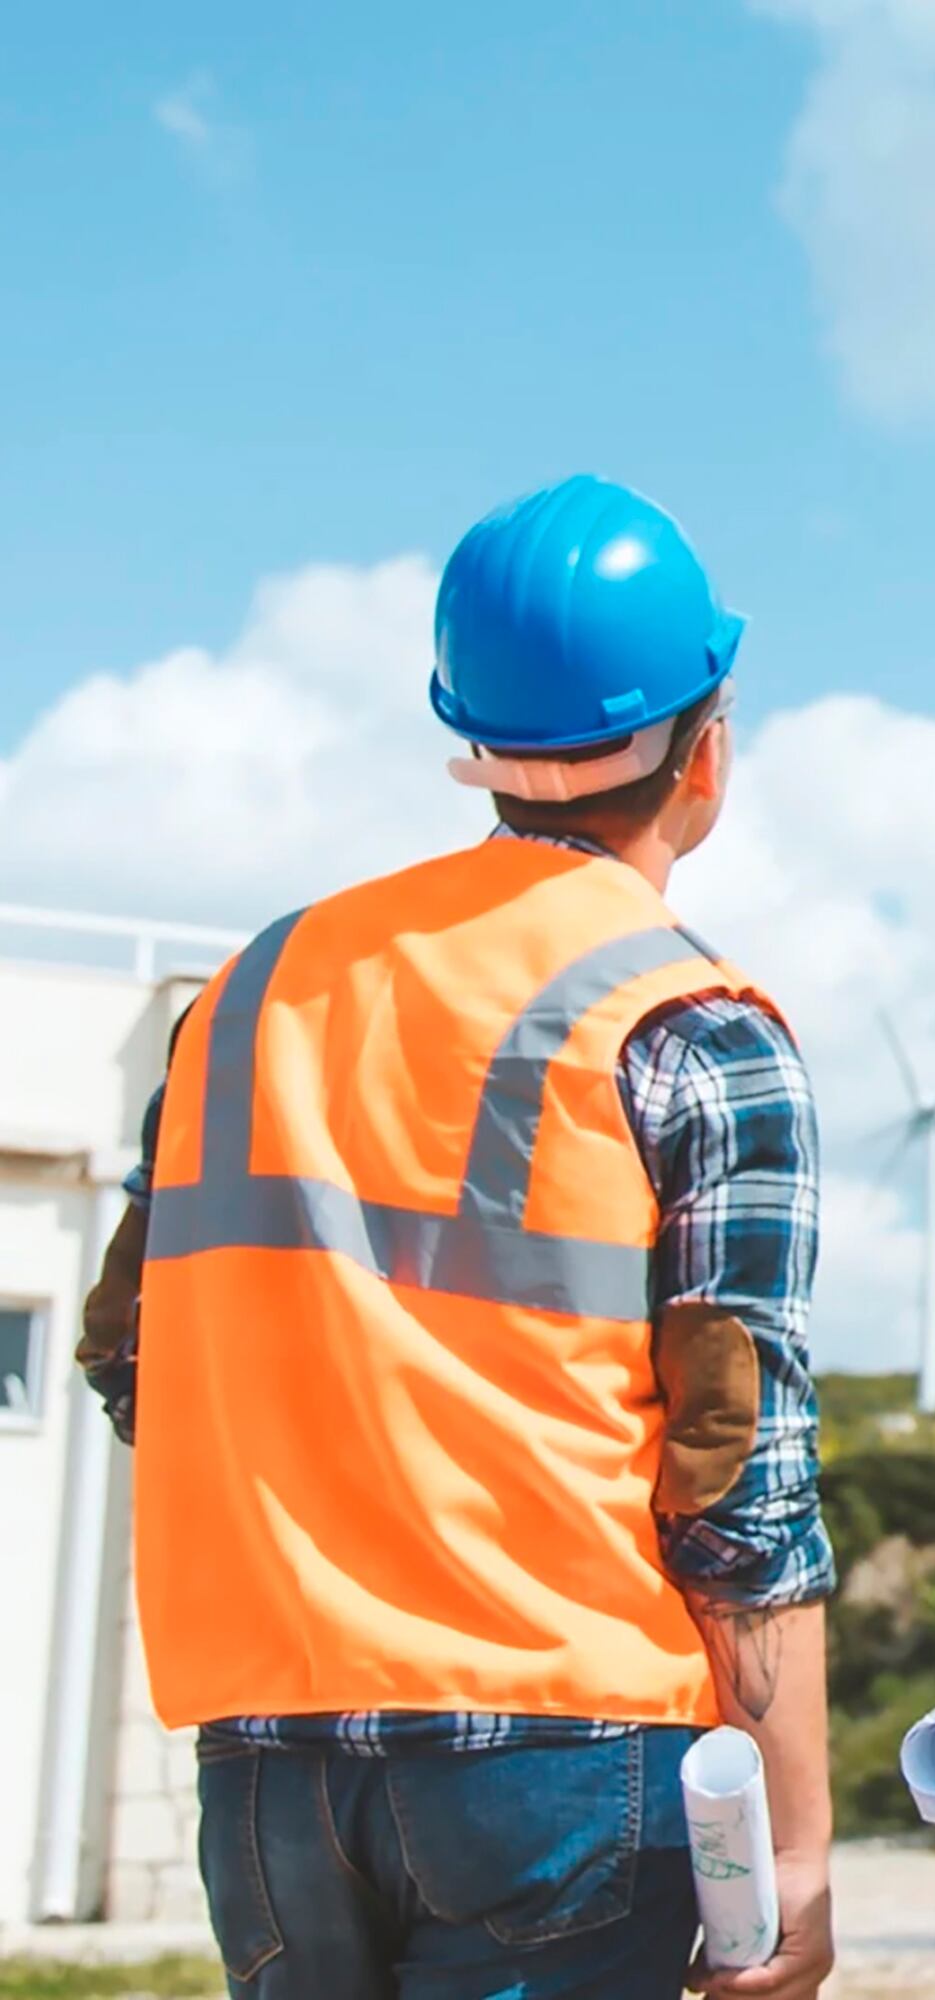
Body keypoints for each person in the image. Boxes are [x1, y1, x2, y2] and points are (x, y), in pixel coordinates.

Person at [78, 475, 838, 2000]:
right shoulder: (694, 1027)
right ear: (709, 749)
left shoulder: (247, 997)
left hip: (268, 1764)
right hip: (564, 1760)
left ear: (471, 740)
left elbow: (127, 1362)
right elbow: (743, 1494)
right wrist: (798, 1851)